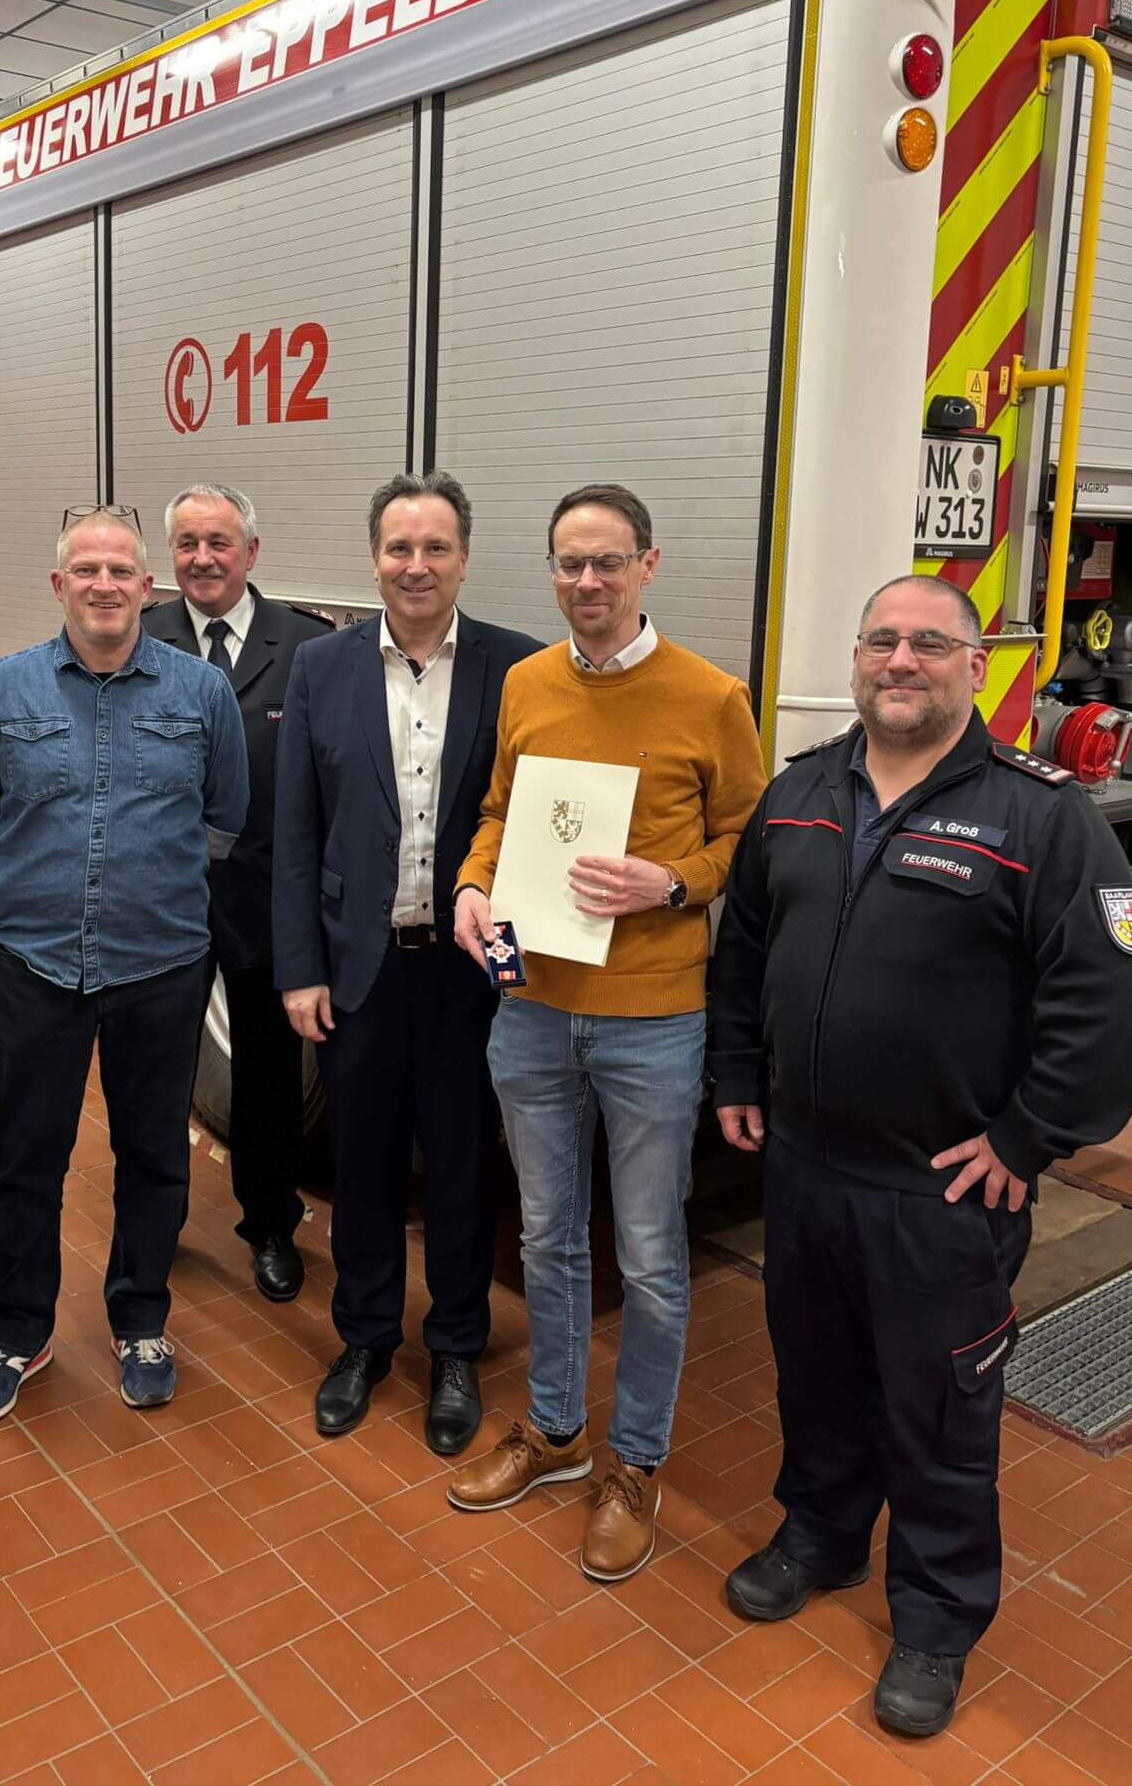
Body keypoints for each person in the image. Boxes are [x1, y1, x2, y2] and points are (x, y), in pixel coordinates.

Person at [708, 574, 1132, 1738]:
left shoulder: (1043, 816)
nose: (901, 660)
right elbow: (743, 941)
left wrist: (1026, 1135)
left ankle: (940, 1615)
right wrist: (735, 1070)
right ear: (858, 658)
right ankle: (822, 1533)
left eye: (929, 644)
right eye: (882, 641)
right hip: (804, 1169)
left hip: (941, 1189)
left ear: (974, 665)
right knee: (816, 1377)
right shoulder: (800, 791)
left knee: (939, 1414)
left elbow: (1107, 1000)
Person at [448, 483, 767, 1583]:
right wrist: (473, 884)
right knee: (545, 1236)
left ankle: (633, 1461)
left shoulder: (712, 697)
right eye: (570, 563)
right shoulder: (528, 682)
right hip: (532, 1006)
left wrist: (670, 881)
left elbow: (750, 841)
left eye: (609, 561)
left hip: (652, 1022)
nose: (588, 581)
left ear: (648, 565)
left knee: (651, 1255)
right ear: (552, 572)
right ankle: (554, 1431)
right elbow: (500, 809)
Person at [0, 505, 247, 1424]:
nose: (105, 585)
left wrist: (142, 884)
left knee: (152, 1154)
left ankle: (140, 1318)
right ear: (59, 585)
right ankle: (20, 1329)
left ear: (146, 587)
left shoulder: (202, 693)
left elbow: (225, 819)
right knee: (26, 1156)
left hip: (162, 964)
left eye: (121, 570)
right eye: (86, 569)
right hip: (37, 964)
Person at [272, 473, 540, 1455]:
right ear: (374, 557)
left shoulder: (522, 667)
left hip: (470, 972)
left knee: (465, 1168)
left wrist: (519, 977)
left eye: (435, 547)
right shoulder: (320, 667)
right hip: (361, 968)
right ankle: (365, 1338)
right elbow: (296, 831)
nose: (416, 565)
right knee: (364, 1165)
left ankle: (457, 1347)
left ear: (464, 557)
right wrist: (300, 968)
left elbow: (530, 823)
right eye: (399, 547)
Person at [142, 483, 333, 1302]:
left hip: (266, 899)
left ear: (251, 552)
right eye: (187, 544)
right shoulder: (136, 638)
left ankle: (269, 1224)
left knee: (268, 1076)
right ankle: (152, 1224)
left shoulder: (311, 648)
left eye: (218, 542)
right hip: (161, 904)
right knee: (155, 1072)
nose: (202, 558)